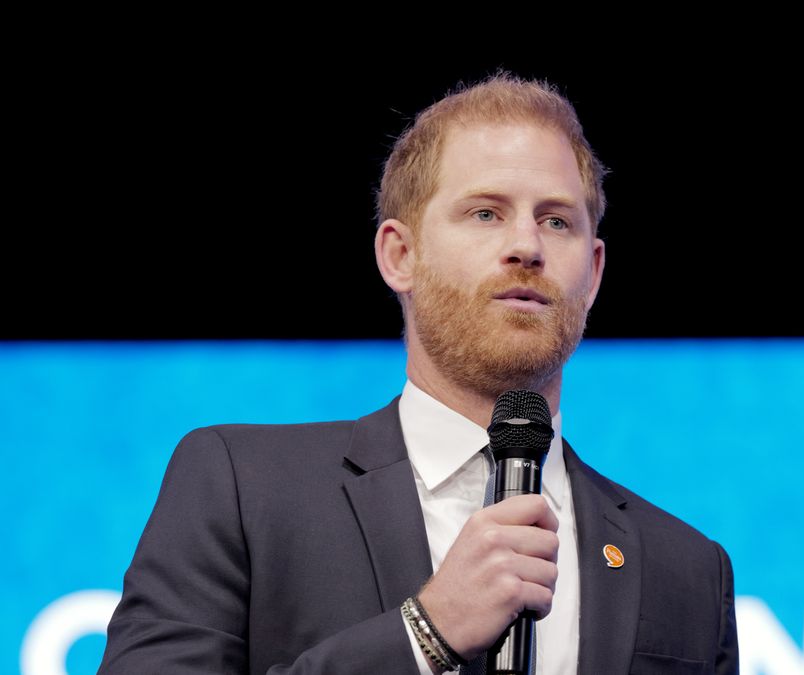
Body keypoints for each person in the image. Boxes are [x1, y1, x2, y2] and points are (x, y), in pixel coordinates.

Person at [99, 72, 738, 674]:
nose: (527, 245)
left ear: (593, 272)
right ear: (399, 255)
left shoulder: (687, 569)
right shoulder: (242, 487)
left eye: (556, 220)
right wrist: (424, 632)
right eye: (485, 213)